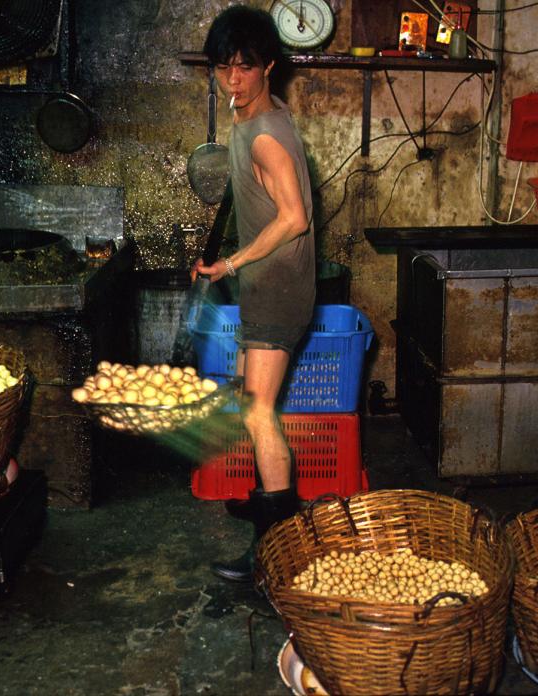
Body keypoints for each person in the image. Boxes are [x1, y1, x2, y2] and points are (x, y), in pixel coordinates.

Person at [192, 5, 316, 583]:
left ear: (269, 65)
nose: (232, 80)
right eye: (223, 68)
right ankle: (267, 498)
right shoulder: (255, 113)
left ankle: (277, 546)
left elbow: (293, 218)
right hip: (266, 285)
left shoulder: (265, 136)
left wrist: (230, 263)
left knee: (260, 413)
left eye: (244, 68)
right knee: (250, 396)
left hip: (276, 288)